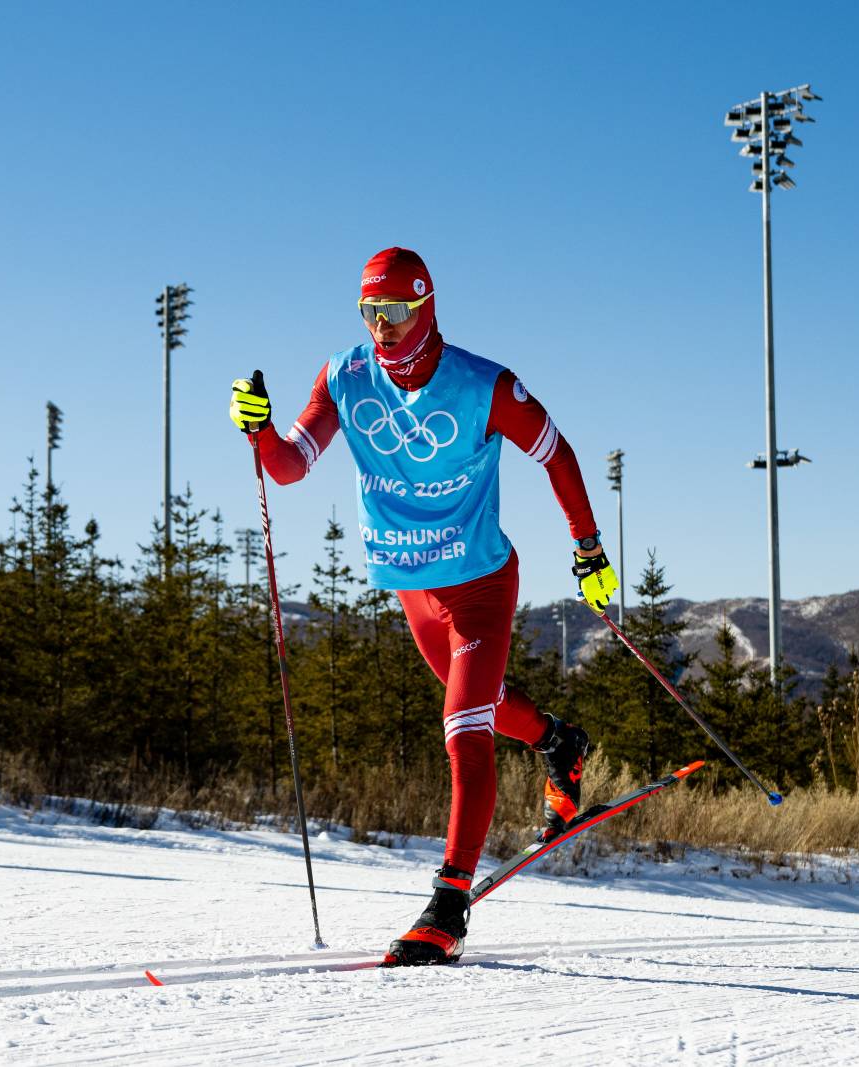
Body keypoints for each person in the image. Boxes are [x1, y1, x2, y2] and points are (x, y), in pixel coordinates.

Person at [228, 247, 619, 966]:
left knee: (462, 724)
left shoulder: (483, 386)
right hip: (416, 592)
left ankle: (447, 907)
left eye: (396, 311)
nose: (382, 326)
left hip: (478, 584)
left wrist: (588, 548)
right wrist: (258, 426)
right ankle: (560, 743)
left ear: (426, 305)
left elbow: (557, 453)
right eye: (370, 312)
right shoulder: (345, 377)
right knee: (488, 702)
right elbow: (287, 467)